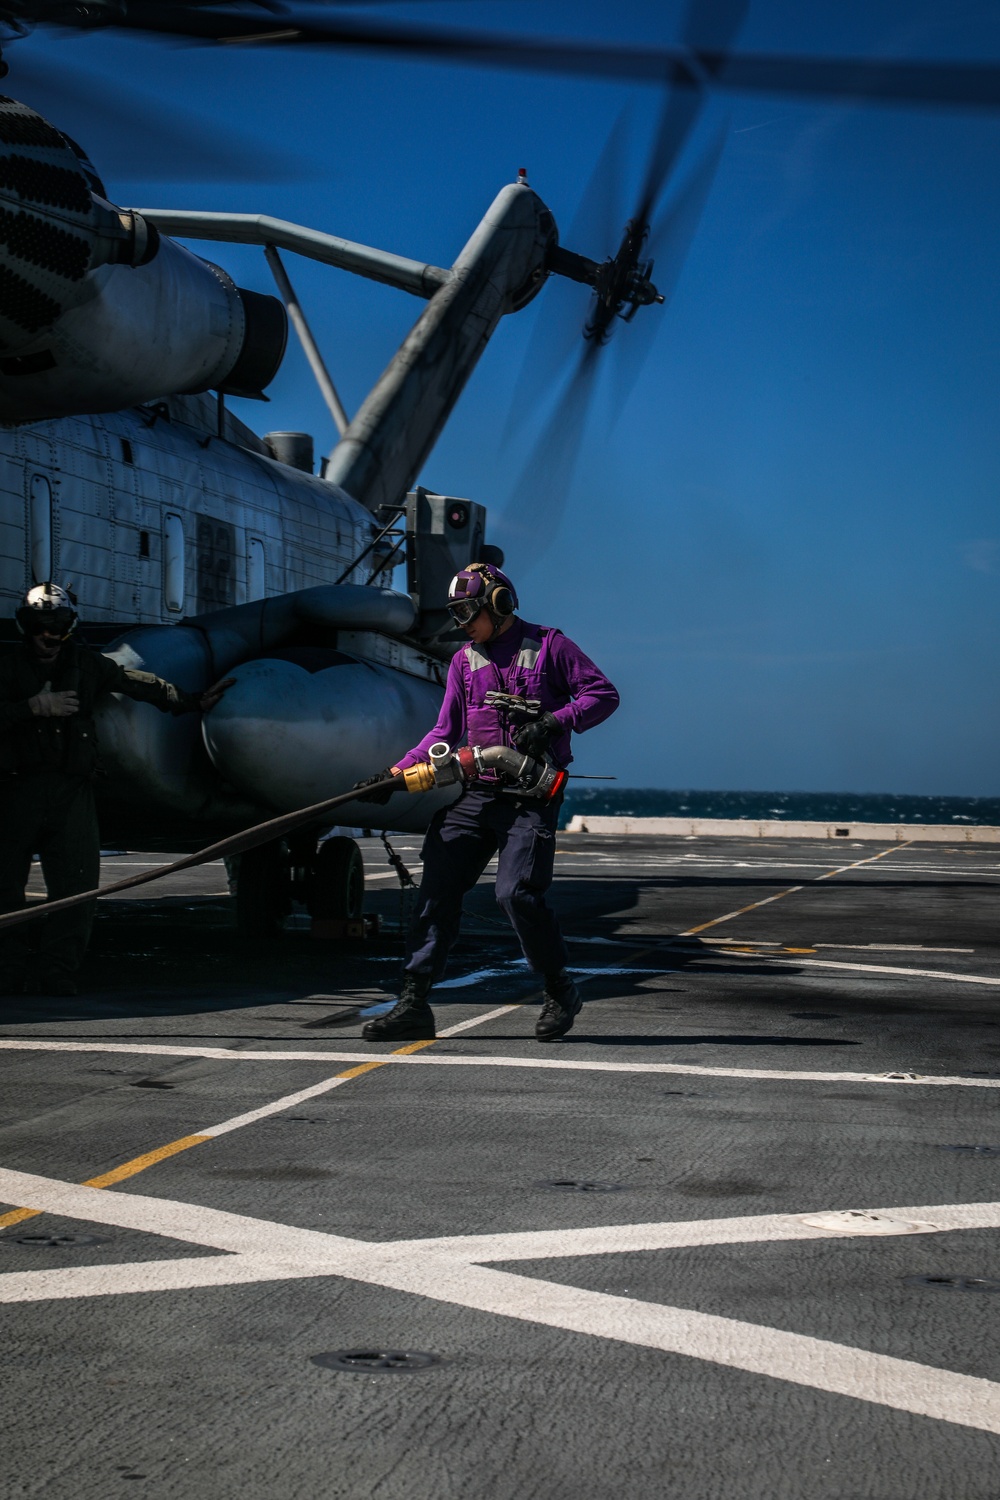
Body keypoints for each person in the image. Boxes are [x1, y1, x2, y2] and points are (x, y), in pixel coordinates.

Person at [356, 561, 619, 1044]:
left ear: (498, 604)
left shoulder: (550, 646)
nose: (461, 624)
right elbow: (443, 733)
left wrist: (554, 722)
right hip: (478, 793)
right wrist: (393, 775)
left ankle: (560, 990)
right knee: (436, 887)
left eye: (468, 613)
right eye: (455, 614)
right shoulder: (464, 661)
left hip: (532, 795)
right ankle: (414, 1004)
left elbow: (603, 695)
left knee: (515, 894)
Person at [0, 583, 233, 996]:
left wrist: (192, 701)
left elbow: (139, 683)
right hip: (15, 790)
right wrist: (29, 709)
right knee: (3, 887)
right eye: (40, 625)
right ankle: (7, 967)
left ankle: (57, 968)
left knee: (76, 886)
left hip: (71, 791)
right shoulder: (5, 667)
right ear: (26, 625)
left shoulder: (87, 666)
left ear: (69, 626)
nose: (49, 634)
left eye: (57, 625)